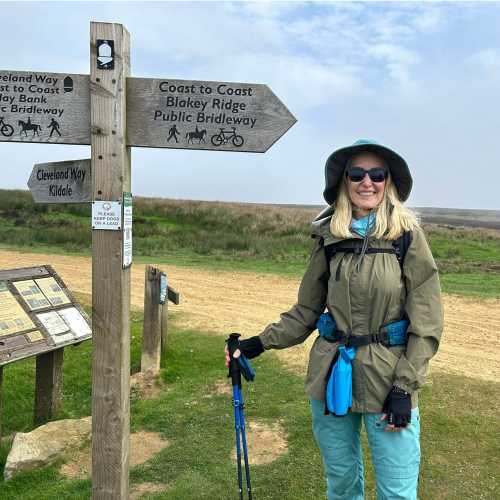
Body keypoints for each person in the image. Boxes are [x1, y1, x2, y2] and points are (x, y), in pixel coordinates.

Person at [225, 139, 443, 499]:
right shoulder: (328, 238)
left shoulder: (407, 238)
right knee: (341, 482)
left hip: (389, 380)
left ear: (389, 182)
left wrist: (405, 386)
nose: (366, 182)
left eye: (377, 174)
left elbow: (428, 323)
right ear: (344, 181)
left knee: (397, 490)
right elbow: (306, 311)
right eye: (357, 173)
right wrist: (256, 344)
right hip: (331, 374)